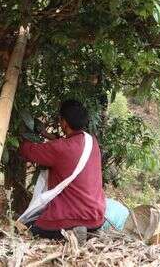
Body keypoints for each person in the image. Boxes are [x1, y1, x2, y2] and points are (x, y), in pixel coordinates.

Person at [18, 99, 106, 242]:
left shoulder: (60, 149)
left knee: (25, 228)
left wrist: (19, 137)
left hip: (70, 218)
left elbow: (27, 150)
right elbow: (67, 143)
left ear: (64, 122)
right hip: (96, 218)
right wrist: (45, 134)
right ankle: (84, 231)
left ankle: (74, 231)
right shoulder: (92, 141)